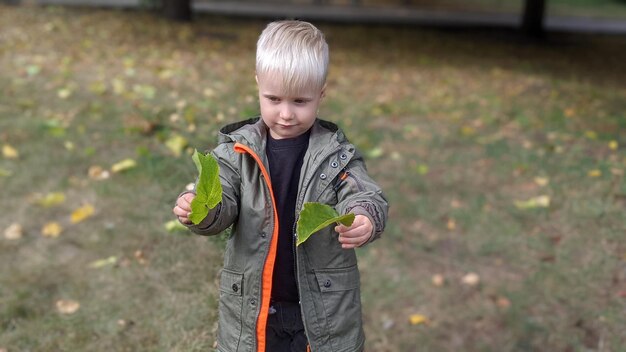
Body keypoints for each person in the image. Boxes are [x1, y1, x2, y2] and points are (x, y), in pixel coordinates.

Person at [172, 20, 388, 352]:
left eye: (300, 101)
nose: (286, 113)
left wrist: (364, 217)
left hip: (320, 310)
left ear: (321, 94)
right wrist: (200, 209)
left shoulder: (335, 156)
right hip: (255, 307)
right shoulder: (235, 154)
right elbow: (222, 198)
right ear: (258, 86)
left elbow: (364, 193)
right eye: (273, 99)